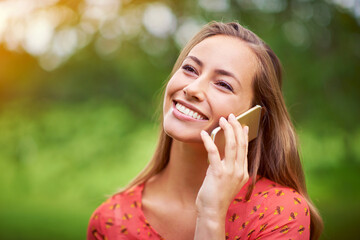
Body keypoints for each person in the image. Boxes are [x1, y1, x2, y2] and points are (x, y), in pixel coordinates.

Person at [87, 21, 323, 240]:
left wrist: (210, 215)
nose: (192, 88)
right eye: (189, 68)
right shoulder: (111, 222)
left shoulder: (279, 213)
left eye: (223, 84)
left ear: (254, 118)